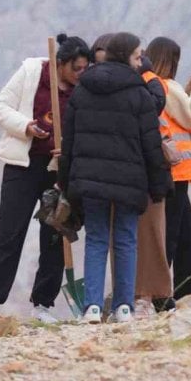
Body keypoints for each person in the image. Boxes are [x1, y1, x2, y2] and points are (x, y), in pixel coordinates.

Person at [0, 34, 90, 329]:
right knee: (10, 232)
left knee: (55, 234)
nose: (81, 74)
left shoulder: (83, 89)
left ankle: (43, 304)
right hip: (23, 165)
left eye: (84, 68)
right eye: (76, 68)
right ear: (60, 64)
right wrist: (26, 126)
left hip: (58, 168)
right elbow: (0, 107)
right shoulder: (32, 72)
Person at [59, 32, 169, 324]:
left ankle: (92, 307)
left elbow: (68, 140)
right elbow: (151, 144)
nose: (141, 61)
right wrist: (159, 184)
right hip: (129, 180)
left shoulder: (83, 90)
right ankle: (123, 307)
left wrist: (66, 181)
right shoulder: (139, 93)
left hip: (89, 179)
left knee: (95, 239)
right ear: (125, 57)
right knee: (126, 239)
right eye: (137, 56)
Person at [142, 37, 191, 311]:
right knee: (170, 237)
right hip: (176, 171)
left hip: (173, 171)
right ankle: (161, 297)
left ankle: (184, 297)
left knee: (186, 237)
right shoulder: (164, 85)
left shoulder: (151, 84)